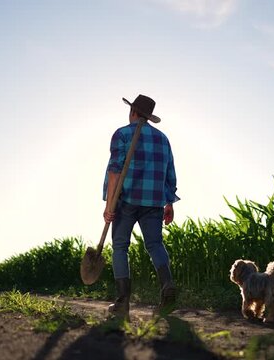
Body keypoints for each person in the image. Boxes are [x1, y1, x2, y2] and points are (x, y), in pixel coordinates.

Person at [102, 94, 180, 319]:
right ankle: (167, 286)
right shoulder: (163, 139)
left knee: (120, 247)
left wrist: (109, 206)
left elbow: (115, 170)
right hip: (154, 201)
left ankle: (122, 303)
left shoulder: (122, 134)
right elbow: (170, 173)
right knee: (155, 244)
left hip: (126, 200)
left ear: (133, 112)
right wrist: (169, 203)